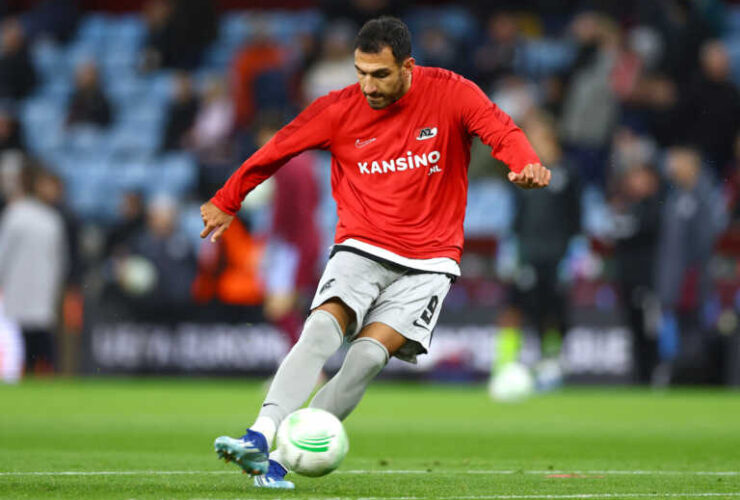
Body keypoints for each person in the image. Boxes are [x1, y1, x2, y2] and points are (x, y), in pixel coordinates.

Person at [200, 17, 550, 489]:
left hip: (430, 261)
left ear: (407, 66)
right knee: (320, 328)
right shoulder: (338, 108)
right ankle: (260, 434)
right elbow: (278, 148)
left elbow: (501, 130)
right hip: (361, 245)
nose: (368, 86)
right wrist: (228, 199)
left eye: (380, 74)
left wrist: (525, 162)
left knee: (366, 358)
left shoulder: (452, 93)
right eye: (360, 73)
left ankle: (281, 461)